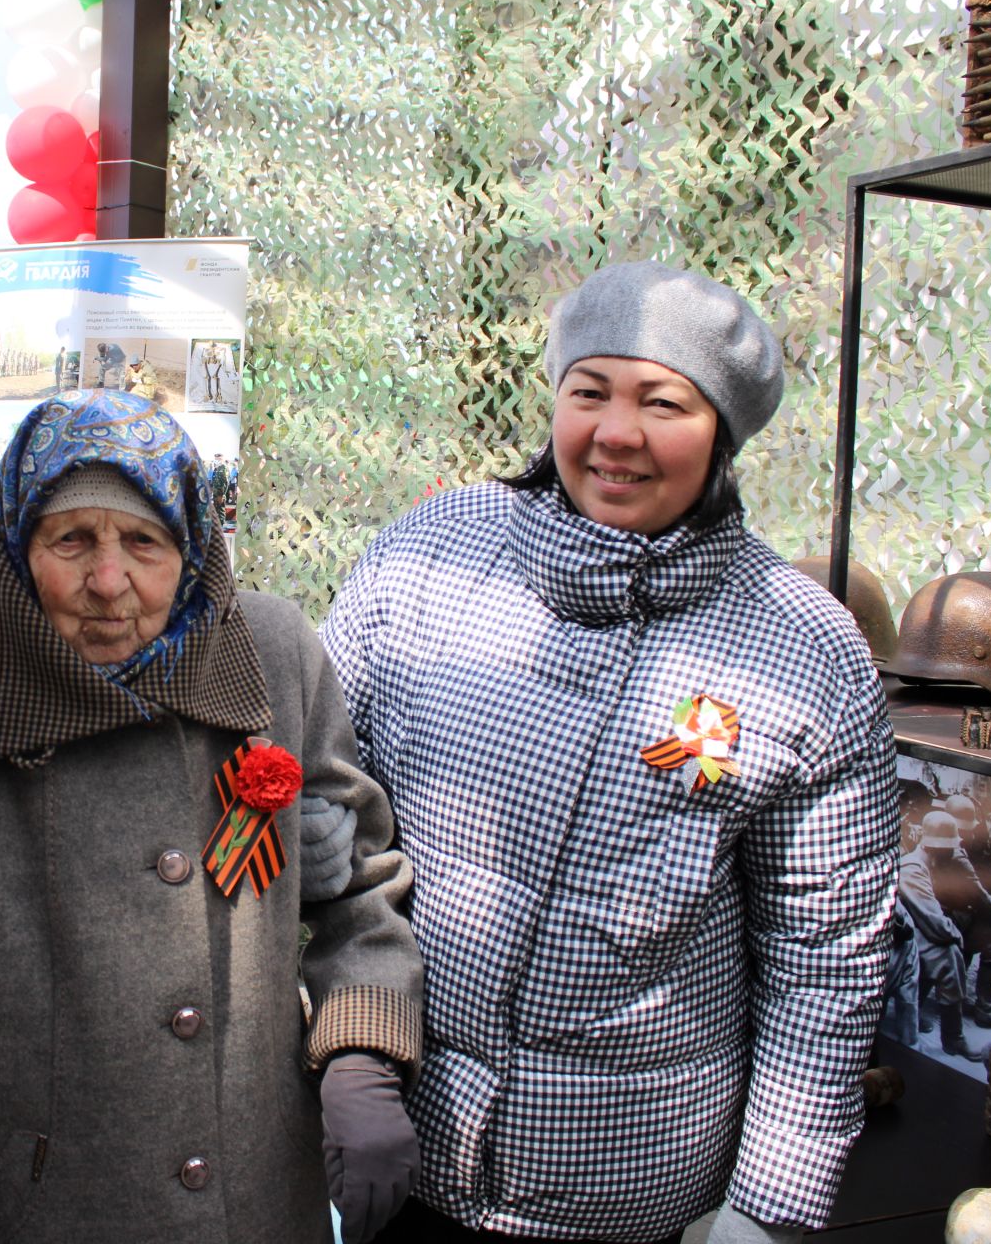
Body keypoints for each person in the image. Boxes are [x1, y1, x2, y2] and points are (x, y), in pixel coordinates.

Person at [321, 261, 899, 1244]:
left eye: (663, 401)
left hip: (625, 1187)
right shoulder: (426, 558)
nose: (617, 432)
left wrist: (767, 1210)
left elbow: (826, 964)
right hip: (392, 1150)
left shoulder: (803, 647)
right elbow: (321, 817)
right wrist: (350, 1052)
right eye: (589, 391)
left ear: (723, 429)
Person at [0, 388, 425, 1242]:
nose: (110, 581)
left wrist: (362, 1052)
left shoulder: (271, 653)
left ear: (192, 547)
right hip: (28, 1208)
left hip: (256, 1198)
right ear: (16, 546)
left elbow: (357, 892)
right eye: (72, 540)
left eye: (145, 542)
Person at [898, 808, 991, 1055]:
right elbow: (933, 923)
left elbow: (976, 893)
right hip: (905, 934)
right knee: (947, 954)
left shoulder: (949, 860)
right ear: (931, 848)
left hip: (935, 926)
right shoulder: (912, 869)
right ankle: (953, 1038)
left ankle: (985, 1007)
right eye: (946, 847)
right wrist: (957, 935)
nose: (952, 851)